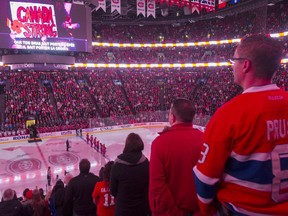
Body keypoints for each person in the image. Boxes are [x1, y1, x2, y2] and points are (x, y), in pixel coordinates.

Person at [193, 34, 288, 215]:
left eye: (234, 60)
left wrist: (208, 211)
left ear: (245, 65)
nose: (232, 65)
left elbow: (205, 179)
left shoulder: (229, 114)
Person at [149, 98, 204, 216]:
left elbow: (157, 187)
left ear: (172, 117)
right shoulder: (205, 139)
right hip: (201, 210)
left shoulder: (159, 143)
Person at [110, 133, 150, 216]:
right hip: (142, 209)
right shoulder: (146, 163)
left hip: (123, 210)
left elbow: (113, 191)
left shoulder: (117, 165)